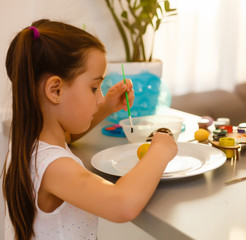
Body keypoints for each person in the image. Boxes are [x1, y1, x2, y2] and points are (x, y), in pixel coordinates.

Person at [2, 19, 178, 240]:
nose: (100, 97)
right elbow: (122, 203)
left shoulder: (28, 141)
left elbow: (68, 136)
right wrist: (160, 150)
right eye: (94, 88)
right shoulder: (54, 168)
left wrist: (105, 108)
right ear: (55, 90)